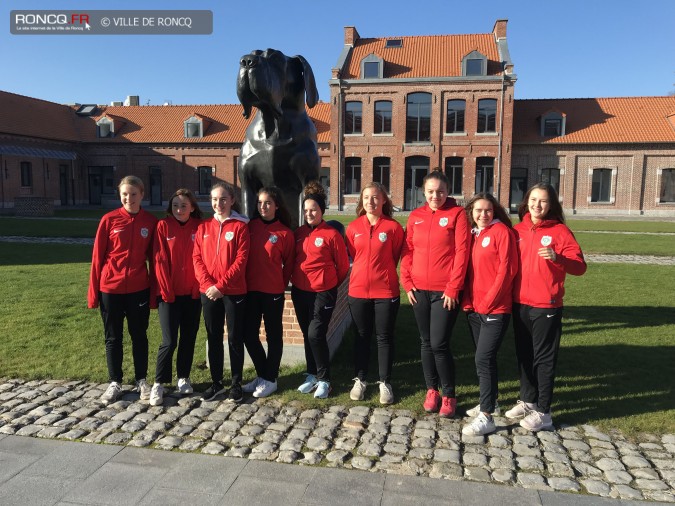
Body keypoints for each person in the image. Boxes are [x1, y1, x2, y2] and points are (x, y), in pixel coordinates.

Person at [505, 183, 586, 431]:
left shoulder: (560, 232)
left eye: (543, 201)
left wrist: (557, 258)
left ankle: (544, 411)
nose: (537, 205)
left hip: (546, 305)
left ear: (551, 205)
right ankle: (528, 400)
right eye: (533, 200)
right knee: (524, 356)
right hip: (520, 304)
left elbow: (580, 267)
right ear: (526, 201)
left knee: (544, 359)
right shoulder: (517, 230)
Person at [400, 170, 470, 417]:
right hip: (419, 290)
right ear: (423, 192)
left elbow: (462, 253)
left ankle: (449, 394)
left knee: (440, 343)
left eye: (440, 191)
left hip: (445, 292)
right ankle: (432, 390)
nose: (435, 196)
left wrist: (453, 287)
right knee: (426, 342)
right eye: (430, 191)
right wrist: (407, 283)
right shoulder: (415, 216)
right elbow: (408, 250)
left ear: (447, 191)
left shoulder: (458, 214)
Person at [88, 175, 158, 405]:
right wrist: (93, 294)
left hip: (138, 288)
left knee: (139, 336)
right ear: (120, 196)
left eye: (133, 194)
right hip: (110, 288)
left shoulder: (151, 222)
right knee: (113, 337)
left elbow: (155, 260)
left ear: (142, 194)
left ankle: (141, 380)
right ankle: (114, 382)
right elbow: (97, 258)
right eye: (124, 194)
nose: (129, 198)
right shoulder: (109, 220)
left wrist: (154, 292)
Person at [460, 193, 517, 436]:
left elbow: (507, 270)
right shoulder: (474, 235)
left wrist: (489, 301)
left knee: (483, 359)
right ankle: (490, 402)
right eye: (478, 210)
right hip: (475, 308)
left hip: (495, 308)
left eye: (488, 210)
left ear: (495, 212)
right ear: (471, 212)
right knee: (485, 359)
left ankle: (487, 417)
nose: (483, 215)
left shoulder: (501, 232)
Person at [345, 182, 404, 405]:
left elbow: (396, 255)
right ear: (362, 201)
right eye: (367, 197)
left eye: (376, 197)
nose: (371, 202)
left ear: (384, 200)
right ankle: (360, 379)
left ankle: (384, 382)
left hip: (385, 290)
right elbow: (353, 255)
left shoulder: (393, 228)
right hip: (358, 290)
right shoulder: (352, 228)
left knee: (384, 337)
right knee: (361, 336)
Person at [291, 181, 350, 399]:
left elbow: (343, 266)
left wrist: (329, 284)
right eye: (306, 210)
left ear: (321, 211)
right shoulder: (298, 234)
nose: (309, 214)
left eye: (313, 210)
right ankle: (311, 374)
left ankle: (325, 379)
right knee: (308, 334)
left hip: (323, 292)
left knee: (316, 333)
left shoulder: (331, 234)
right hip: (300, 291)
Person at [193, 182, 250, 403]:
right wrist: (209, 285)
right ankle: (216, 382)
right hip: (208, 292)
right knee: (213, 337)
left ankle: (236, 384)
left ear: (232, 200)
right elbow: (197, 259)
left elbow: (241, 260)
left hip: (233, 291)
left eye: (224, 199)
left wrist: (221, 286)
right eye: (215, 199)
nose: (219, 203)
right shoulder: (203, 228)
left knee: (235, 338)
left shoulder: (240, 227)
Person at [149, 189, 203, 406]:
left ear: (192, 207)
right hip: (168, 294)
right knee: (169, 341)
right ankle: (159, 383)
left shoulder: (199, 227)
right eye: (175, 206)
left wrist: (197, 287)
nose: (179, 210)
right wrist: (166, 290)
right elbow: (159, 259)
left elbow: (203, 259)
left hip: (192, 294)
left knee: (188, 338)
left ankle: (183, 377)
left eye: (184, 205)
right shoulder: (163, 226)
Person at [242, 187, 295, 398]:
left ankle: (270, 379)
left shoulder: (285, 233)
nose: (263, 207)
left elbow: (289, 264)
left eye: (267, 203)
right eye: (260, 203)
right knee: (249, 335)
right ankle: (263, 374)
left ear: (276, 206)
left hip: (272, 291)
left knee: (274, 336)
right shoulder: (249, 227)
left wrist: (279, 284)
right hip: (251, 290)